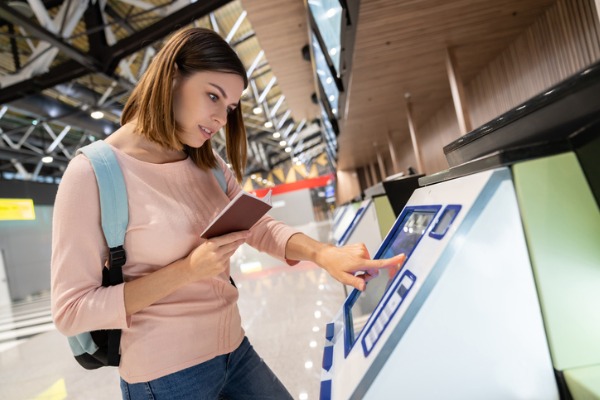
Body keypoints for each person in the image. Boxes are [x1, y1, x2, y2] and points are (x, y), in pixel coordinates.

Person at [51, 27, 406, 400]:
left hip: (235, 351)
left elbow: (260, 226)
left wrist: (324, 254)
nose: (221, 117)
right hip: (165, 378)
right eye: (212, 96)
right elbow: (72, 310)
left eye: (230, 107)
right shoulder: (93, 174)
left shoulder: (207, 163)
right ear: (171, 77)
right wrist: (187, 271)